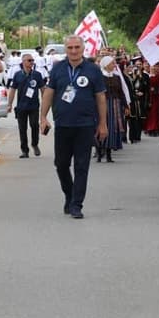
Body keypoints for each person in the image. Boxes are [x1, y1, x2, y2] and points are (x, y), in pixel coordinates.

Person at [40, 36, 108, 219]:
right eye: (70, 47)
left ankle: (77, 204)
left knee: (81, 165)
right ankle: (69, 195)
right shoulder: (58, 69)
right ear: (66, 49)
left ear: (83, 48)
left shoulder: (93, 70)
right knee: (61, 164)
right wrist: (43, 117)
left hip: (85, 125)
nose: (73, 51)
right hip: (63, 125)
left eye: (77, 47)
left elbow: (101, 97)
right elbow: (49, 93)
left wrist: (102, 124)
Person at [6, 53, 46, 158]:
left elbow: (43, 89)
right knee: (22, 128)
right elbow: (13, 90)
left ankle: (35, 144)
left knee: (34, 125)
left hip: (34, 106)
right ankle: (24, 150)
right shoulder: (17, 75)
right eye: (29, 60)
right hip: (21, 107)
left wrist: (45, 103)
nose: (31, 62)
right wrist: (9, 104)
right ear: (23, 62)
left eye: (32, 60)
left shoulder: (37, 75)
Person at [95, 56, 129, 163]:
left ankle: (109, 153)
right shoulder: (99, 77)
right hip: (102, 105)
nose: (114, 65)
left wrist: (126, 106)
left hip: (115, 105)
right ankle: (100, 151)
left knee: (112, 129)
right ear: (105, 64)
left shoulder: (116, 77)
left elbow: (121, 92)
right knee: (101, 127)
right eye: (112, 63)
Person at [144, 61, 159, 136]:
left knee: (157, 113)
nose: (153, 68)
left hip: (157, 96)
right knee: (150, 113)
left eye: (155, 66)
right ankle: (150, 128)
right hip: (149, 96)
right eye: (152, 66)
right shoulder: (147, 76)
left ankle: (156, 128)